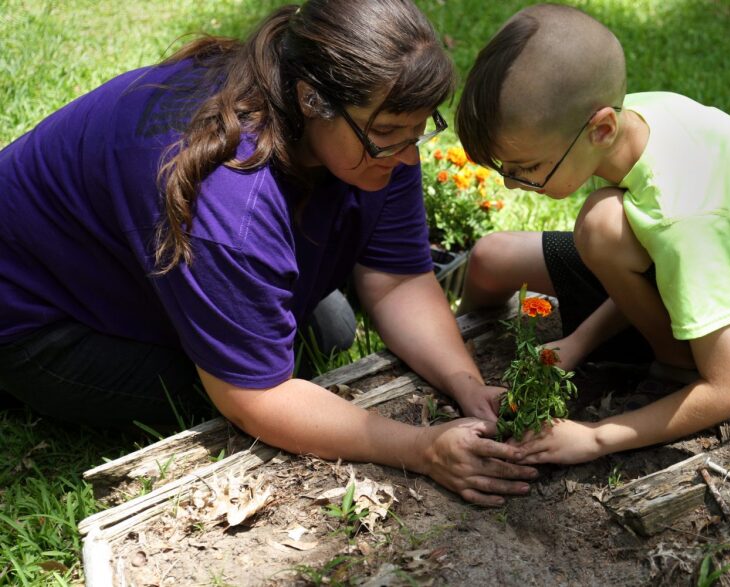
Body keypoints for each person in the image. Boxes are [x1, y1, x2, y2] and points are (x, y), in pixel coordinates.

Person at [0, 0, 538, 506]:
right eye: (390, 135)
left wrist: (466, 384)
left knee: (327, 329)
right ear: (312, 99)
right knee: (275, 369)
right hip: (38, 320)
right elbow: (254, 397)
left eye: (417, 132)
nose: (404, 154)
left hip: (134, 265)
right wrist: (420, 449)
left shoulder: (370, 124)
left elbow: (396, 277)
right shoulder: (227, 199)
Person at [455, 4, 730, 465]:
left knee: (601, 223)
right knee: (492, 257)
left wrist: (595, 437)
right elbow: (669, 263)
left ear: (600, 128)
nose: (512, 184)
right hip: (717, 268)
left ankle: (675, 369)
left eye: (528, 169)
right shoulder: (633, 119)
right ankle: (462, 347)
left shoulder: (687, 211)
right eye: (506, 169)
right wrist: (577, 342)